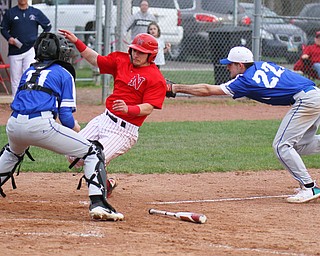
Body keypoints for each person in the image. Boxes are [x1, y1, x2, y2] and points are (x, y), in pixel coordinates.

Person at [167, 46, 320, 204]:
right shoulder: (260, 64)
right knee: (300, 146)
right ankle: (306, 184)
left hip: (306, 100)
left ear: (240, 65)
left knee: (282, 146)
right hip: (314, 94)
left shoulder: (245, 80)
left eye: (230, 64)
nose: (227, 67)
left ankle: (310, 187)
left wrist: (176, 88)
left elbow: (207, 89)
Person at [0, 32, 124, 222]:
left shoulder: (30, 71)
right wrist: (76, 129)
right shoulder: (64, 73)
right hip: (40, 125)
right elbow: (65, 116)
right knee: (93, 151)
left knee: (11, 153)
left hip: (14, 124)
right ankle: (98, 203)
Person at [59, 29, 166, 194]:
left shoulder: (155, 77)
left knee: (93, 160)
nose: (136, 55)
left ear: (151, 56)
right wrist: (77, 42)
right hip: (104, 119)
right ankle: (107, 181)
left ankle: (100, 195)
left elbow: (149, 107)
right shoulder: (121, 60)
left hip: (124, 131)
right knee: (73, 154)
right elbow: (95, 59)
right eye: (134, 50)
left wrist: (128, 109)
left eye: (141, 52)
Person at [0, 0, 52, 97]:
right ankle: (16, 100)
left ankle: (27, 99)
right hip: (15, 51)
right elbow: (3, 29)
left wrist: (40, 39)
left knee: (29, 75)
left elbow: (47, 26)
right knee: (15, 78)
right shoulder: (10, 13)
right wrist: (9, 38)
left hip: (30, 50)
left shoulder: (35, 12)